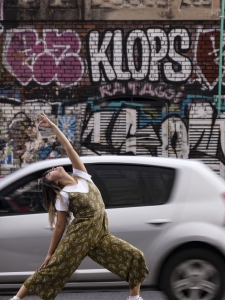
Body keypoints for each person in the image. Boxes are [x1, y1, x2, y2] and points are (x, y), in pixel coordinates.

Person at [9, 113, 149, 300]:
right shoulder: (64, 195)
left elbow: (68, 148)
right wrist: (50, 253)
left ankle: (134, 298)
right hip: (77, 239)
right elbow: (60, 226)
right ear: (55, 184)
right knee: (52, 270)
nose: (52, 170)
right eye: (49, 174)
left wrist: (53, 126)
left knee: (135, 256)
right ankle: (17, 298)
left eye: (50, 170)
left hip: (99, 236)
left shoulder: (82, 176)